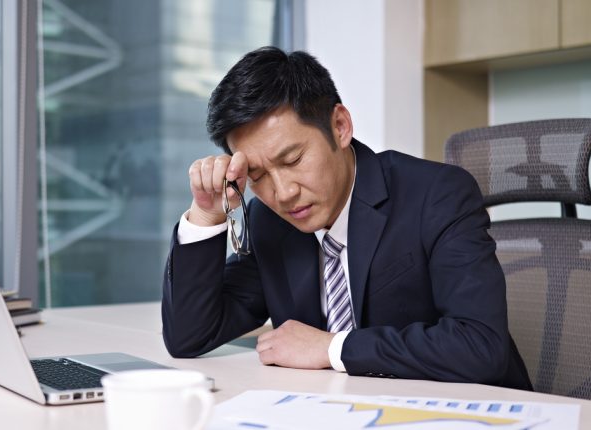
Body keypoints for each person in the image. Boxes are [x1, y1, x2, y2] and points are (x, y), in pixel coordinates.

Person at [161, 46, 532, 390]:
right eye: (256, 176)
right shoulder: (269, 221)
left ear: (340, 127)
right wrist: (207, 215)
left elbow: (480, 346)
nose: (284, 192)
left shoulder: (437, 194)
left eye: (292, 160)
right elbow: (190, 336)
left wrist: (333, 348)